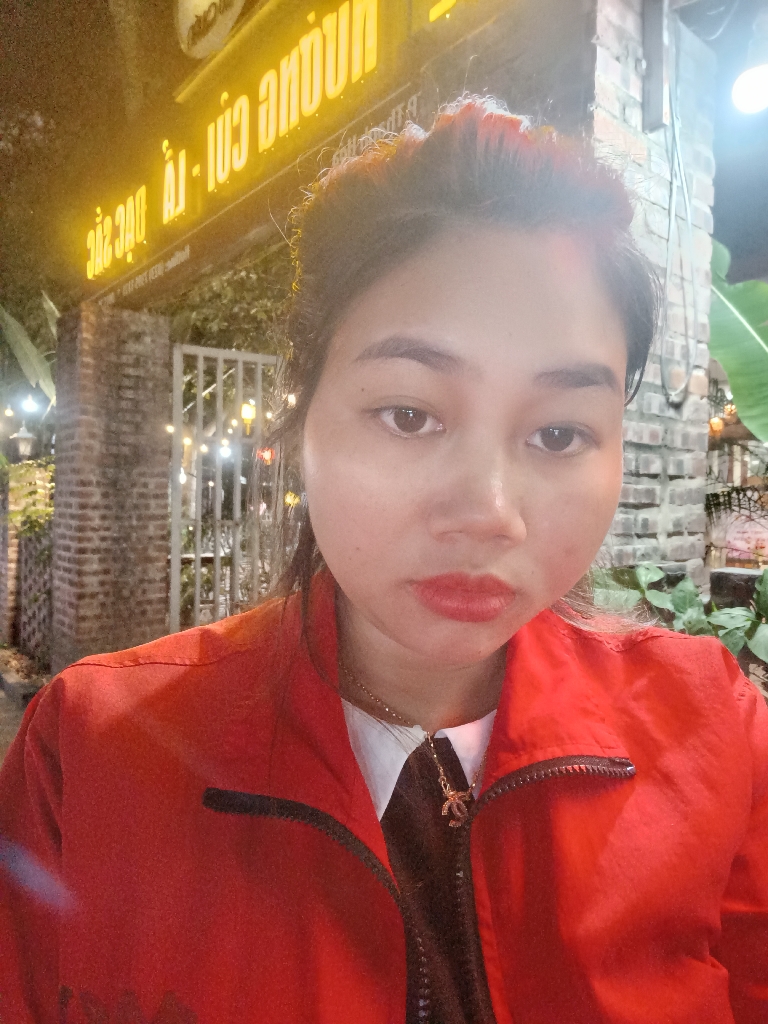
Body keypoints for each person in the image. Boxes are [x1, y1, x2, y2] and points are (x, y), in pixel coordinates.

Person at [1, 96, 766, 1024]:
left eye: (560, 433)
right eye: (409, 414)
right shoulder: (97, 754)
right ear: (302, 417)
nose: (488, 514)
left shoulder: (713, 732)